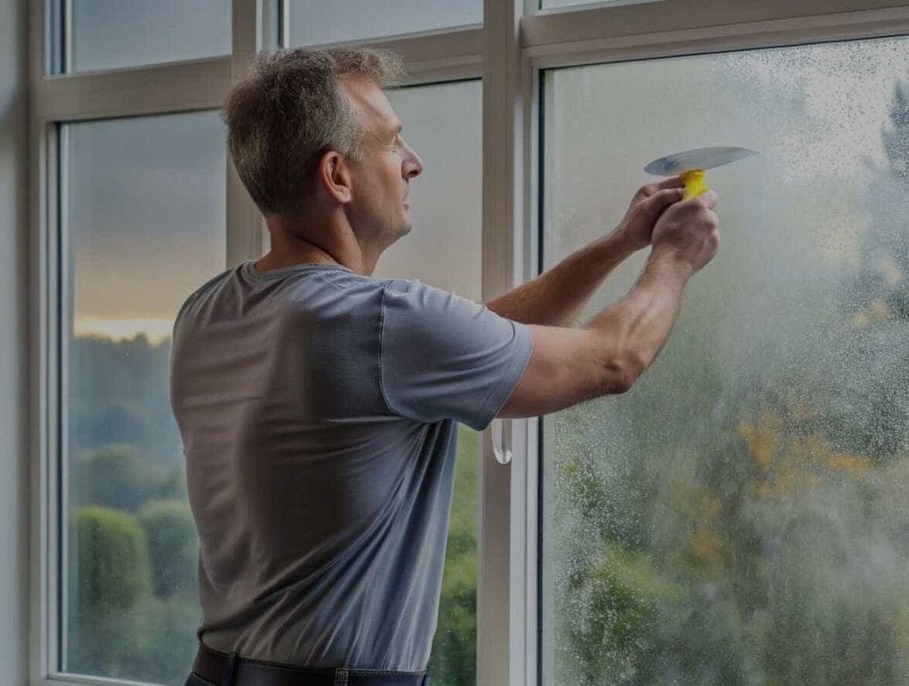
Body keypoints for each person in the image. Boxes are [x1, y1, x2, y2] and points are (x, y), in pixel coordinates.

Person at [170, 46, 720, 686]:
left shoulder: (206, 310)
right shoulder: (382, 322)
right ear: (337, 176)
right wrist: (674, 260)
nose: (413, 164)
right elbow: (614, 360)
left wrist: (620, 244)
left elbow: (478, 342)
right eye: (392, 143)